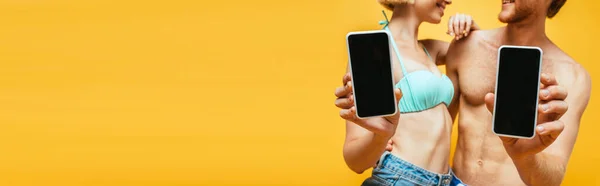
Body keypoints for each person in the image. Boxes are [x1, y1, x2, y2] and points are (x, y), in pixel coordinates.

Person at [440, 0, 592, 185]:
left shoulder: (573, 76)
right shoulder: (467, 45)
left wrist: (523, 156)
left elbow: (551, 180)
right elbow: (439, 127)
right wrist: (396, 139)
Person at [334, 0, 479, 185]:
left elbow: (479, 56)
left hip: (444, 180)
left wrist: (472, 29)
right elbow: (354, 161)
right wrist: (381, 137)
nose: (449, 1)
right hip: (400, 178)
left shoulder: (430, 49)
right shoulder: (373, 52)